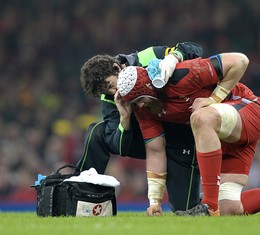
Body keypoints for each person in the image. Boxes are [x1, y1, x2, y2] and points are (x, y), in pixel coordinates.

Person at [116, 53, 260, 216]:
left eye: (140, 100)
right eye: (134, 103)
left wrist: (214, 98)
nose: (139, 106)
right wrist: (154, 201)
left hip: (247, 112)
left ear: (151, 87)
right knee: (230, 208)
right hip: (223, 137)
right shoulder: (145, 111)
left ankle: (209, 206)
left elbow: (240, 60)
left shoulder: (182, 73)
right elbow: (155, 151)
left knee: (201, 118)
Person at [77, 42, 203, 214]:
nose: (114, 91)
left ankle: (208, 199)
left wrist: (173, 58)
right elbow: (120, 147)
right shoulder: (110, 98)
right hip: (147, 137)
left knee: (187, 210)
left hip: (180, 137)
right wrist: (125, 118)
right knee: (97, 131)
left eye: (110, 85)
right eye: (106, 91)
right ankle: (81, 196)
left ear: (116, 67)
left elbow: (194, 49)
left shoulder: (147, 57)